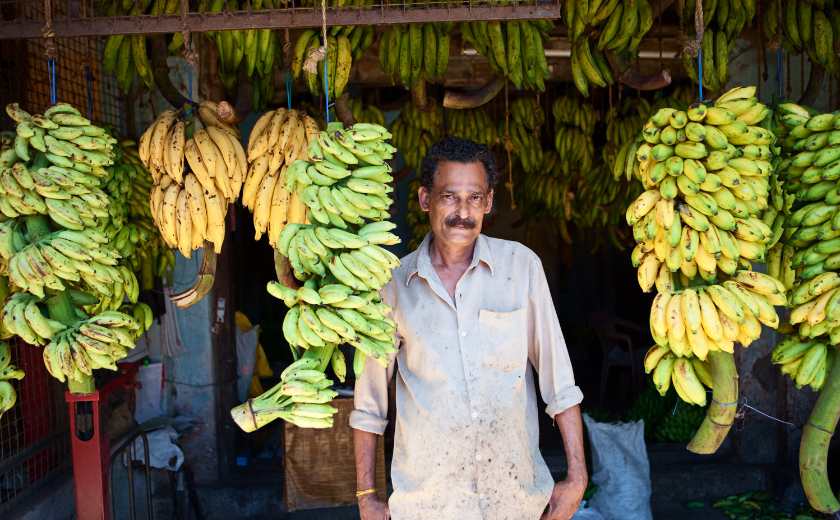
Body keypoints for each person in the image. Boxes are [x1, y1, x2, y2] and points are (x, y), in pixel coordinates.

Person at [350, 137, 587, 520]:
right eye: (449, 197)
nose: (463, 211)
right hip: (428, 505)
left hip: (515, 501)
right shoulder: (391, 284)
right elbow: (369, 403)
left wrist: (577, 476)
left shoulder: (521, 268)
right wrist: (366, 494)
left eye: (474, 197)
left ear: (489, 202)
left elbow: (559, 382)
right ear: (426, 199)